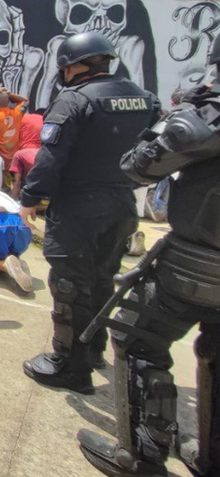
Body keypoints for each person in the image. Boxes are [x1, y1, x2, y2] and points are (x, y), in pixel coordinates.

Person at [77, 36, 220, 477]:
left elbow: (140, 165)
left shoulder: (208, 115)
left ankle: (141, 455)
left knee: (139, 341)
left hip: (197, 261)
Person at [20, 32, 158, 394]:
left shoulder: (74, 100)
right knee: (101, 280)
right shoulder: (144, 99)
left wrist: (30, 196)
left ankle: (70, 365)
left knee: (69, 285)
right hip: (123, 205)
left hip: (79, 207)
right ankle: (93, 348)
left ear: (75, 66)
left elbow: (51, 157)